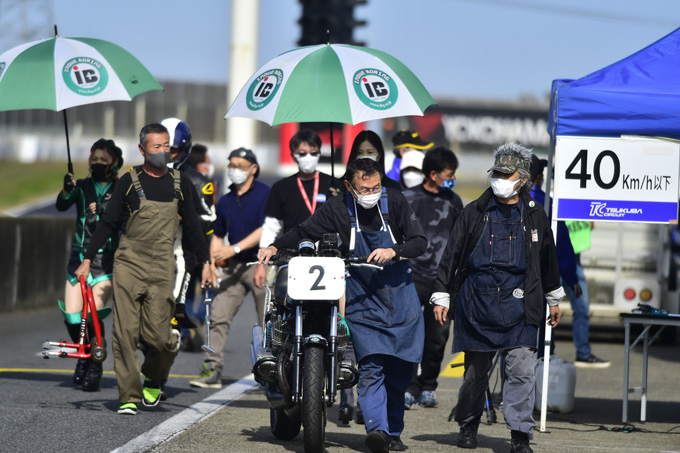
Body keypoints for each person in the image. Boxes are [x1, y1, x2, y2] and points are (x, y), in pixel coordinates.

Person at [258, 158, 426, 453]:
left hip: (402, 301)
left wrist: (393, 250)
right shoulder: (337, 208)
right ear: (349, 186)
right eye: (364, 188)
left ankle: (394, 430)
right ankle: (378, 431)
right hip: (363, 302)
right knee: (372, 367)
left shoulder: (396, 202)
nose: (371, 193)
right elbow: (303, 231)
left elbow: (419, 241)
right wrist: (274, 246)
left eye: (375, 187)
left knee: (399, 374)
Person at [431, 143, 565, 453]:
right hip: (477, 305)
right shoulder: (473, 213)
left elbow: (548, 261)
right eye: (496, 173)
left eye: (506, 174)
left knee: (521, 371)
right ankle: (468, 424)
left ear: (522, 178)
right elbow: (452, 256)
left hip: (520, 306)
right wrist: (442, 295)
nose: (499, 179)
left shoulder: (535, 216)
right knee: (475, 376)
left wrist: (553, 299)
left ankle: (519, 435)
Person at [75, 123, 211, 416]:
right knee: (124, 332)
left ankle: (153, 375)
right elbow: (108, 224)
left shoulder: (180, 183)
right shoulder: (129, 180)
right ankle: (129, 395)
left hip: (163, 265)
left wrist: (207, 262)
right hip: (128, 262)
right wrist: (86, 259)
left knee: (161, 337)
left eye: (166, 146)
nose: (163, 152)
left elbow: (193, 229)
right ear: (142, 150)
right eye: (156, 147)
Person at [190, 147, 270, 389]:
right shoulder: (224, 200)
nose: (235, 170)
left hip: (261, 265)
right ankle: (212, 367)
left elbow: (266, 230)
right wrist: (212, 263)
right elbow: (217, 234)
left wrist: (233, 248)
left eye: (241, 166)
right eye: (232, 165)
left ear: (253, 169)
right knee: (218, 315)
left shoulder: (266, 194)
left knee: (267, 320)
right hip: (233, 267)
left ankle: (272, 370)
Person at [529, 157, 610, 368]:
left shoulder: (570, 197)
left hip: (565, 261)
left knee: (563, 310)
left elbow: (586, 225)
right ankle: (546, 360)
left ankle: (568, 354)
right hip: (559, 262)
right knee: (550, 312)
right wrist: (572, 277)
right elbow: (562, 241)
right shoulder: (548, 200)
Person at [57, 138, 123, 392]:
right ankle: (83, 356)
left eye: (102, 160)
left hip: (105, 261)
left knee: (93, 314)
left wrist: (106, 213)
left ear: (115, 162)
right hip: (78, 259)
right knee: (73, 316)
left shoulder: (121, 189)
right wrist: (65, 189)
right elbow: (62, 205)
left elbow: (127, 221)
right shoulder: (82, 186)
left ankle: (95, 366)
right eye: (93, 159)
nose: (97, 163)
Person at [403, 146, 463, 409]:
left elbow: (461, 241)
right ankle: (408, 386)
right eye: (449, 174)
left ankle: (428, 386)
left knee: (437, 337)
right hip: (411, 277)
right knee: (409, 334)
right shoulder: (407, 198)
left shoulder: (455, 202)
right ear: (432, 174)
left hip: (442, 281)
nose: (453, 179)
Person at [253, 130, 332, 289]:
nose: (308, 157)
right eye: (302, 153)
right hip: (291, 255)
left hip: (327, 254)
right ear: (293, 155)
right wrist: (262, 263)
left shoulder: (333, 185)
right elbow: (271, 226)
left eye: (313, 152)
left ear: (320, 153)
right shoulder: (281, 187)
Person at [564, 220, 610, 368]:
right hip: (556, 255)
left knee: (582, 307)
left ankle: (583, 354)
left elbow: (590, 225)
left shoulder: (576, 201)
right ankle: (545, 355)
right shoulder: (556, 199)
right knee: (546, 307)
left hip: (572, 257)